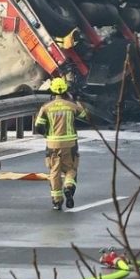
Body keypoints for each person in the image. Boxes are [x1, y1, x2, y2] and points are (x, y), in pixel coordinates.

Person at [33, 77, 88, 211]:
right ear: (66, 91)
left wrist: (47, 134)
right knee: (71, 169)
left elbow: (38, 126)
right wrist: (77, 101)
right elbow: (85, 116)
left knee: (54, 172)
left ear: (52, 91)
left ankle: (57, 201)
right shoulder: (71, 106)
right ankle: (68, 187)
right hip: (70, 144)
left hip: (52, 144)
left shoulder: (46, 107)